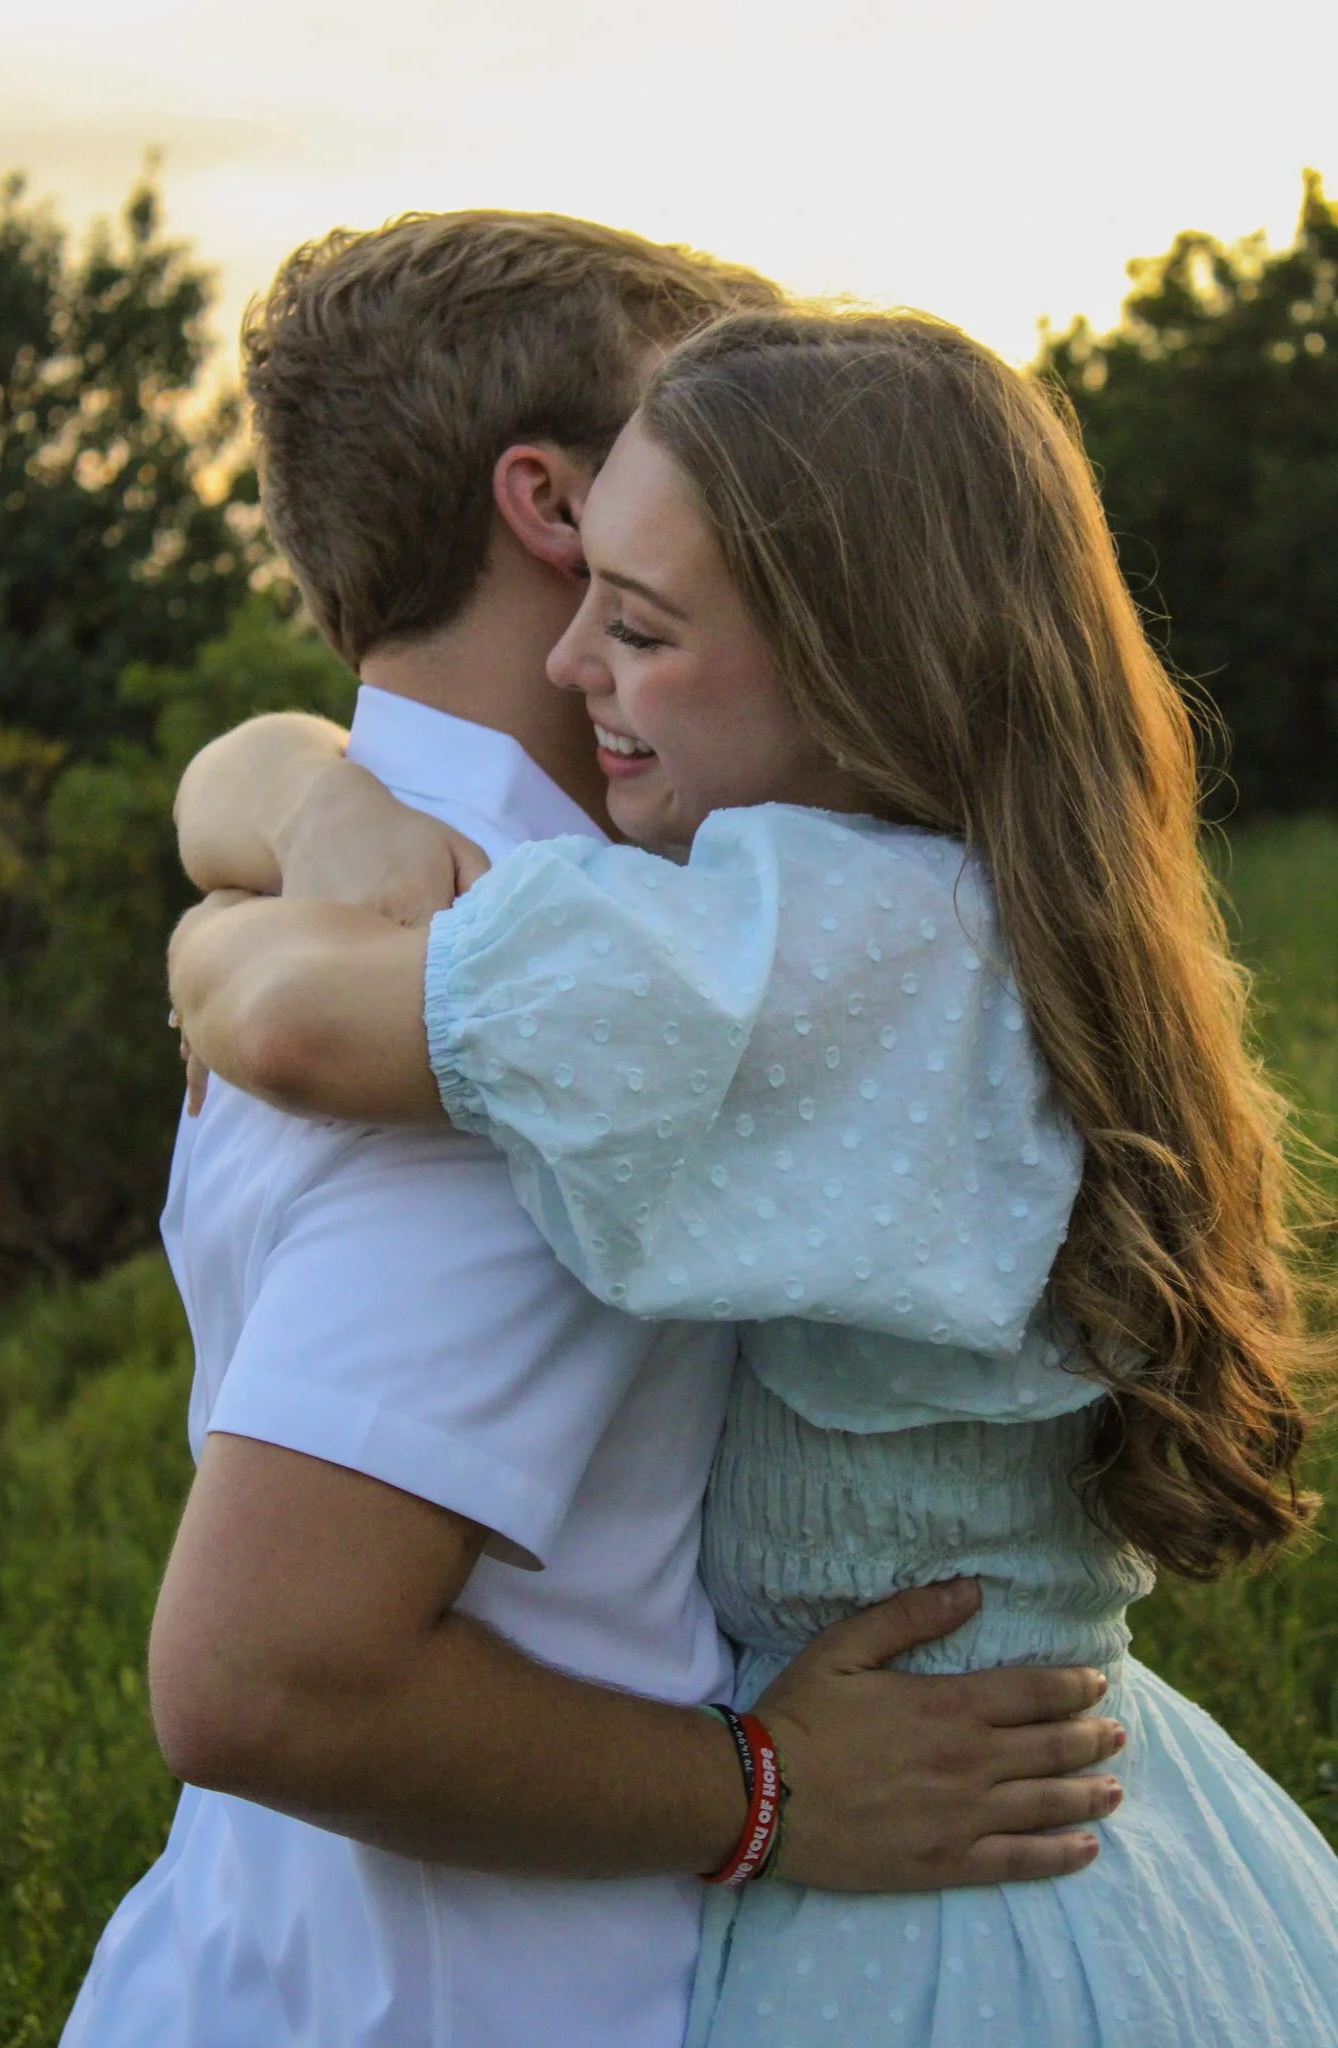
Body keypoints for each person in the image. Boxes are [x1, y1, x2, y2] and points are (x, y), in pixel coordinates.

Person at [171, 306, 1338, 2046]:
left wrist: (214, 925)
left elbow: (279, 1022)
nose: (573, 659)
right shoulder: (999, 905)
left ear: (857, 668)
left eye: (639, 626)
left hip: (925, 1893)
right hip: (1086, 1823)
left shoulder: (803, 953)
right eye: (580, 595)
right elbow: (234, 782)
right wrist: (302, 787)